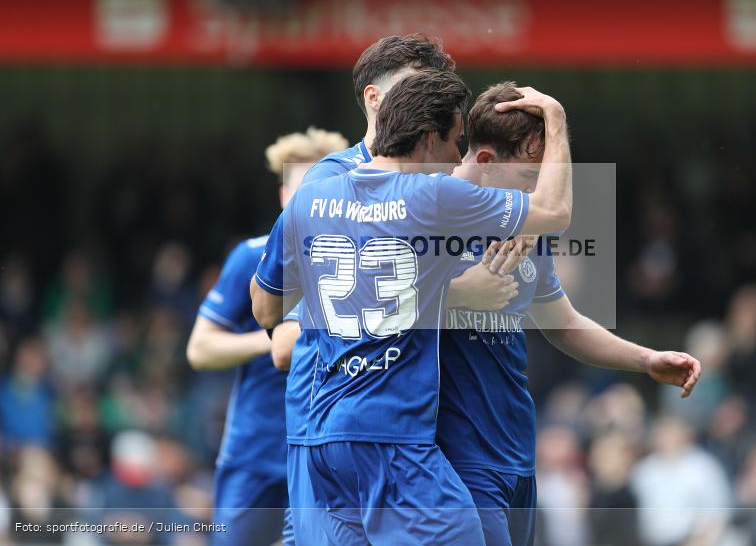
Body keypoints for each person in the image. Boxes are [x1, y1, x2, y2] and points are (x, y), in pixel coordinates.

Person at [251, 69, 574, 545]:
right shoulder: (433, 195)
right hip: (392, 435)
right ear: (428, 138)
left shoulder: (314, 195)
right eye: (454, 142)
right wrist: (556, 117)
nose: (457, 158)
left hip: (319, 435)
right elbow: (557, 214)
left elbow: (264, 308)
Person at [438, 82, 702, 546]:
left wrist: (645, 360)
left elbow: (563, 322)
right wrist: (459, 293)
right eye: (527, 179)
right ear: (484, 162)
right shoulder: (429, 215)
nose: (537, 196)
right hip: (457, 460)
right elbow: (374, 308)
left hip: (517, 455)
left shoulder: (523, 229)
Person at [185, 128, 347, 545]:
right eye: (302, 190)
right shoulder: (252, 257)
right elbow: (200, 349)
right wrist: (277, 340)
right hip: (256, 452)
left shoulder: (359, 257)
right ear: (282, 196)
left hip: (327, 451)